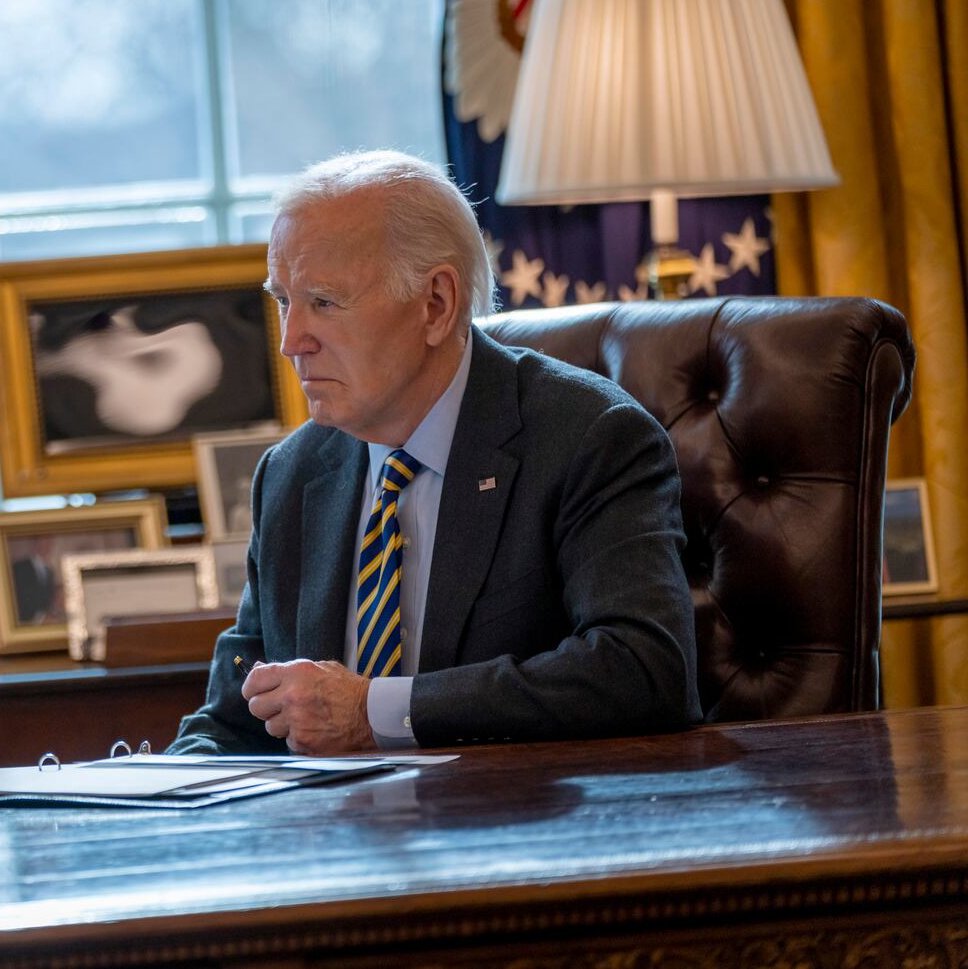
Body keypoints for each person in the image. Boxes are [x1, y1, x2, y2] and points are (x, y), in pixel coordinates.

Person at [168, 151, 700, 756]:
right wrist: (151, 800)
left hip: (517, 828)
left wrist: (376, 711)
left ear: (436, 304)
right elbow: (234, 719)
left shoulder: (588, 438)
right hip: (331, 840)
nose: (292, 342)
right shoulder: (292, 474)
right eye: (284, 301)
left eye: (323, 302)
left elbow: (646, 669)